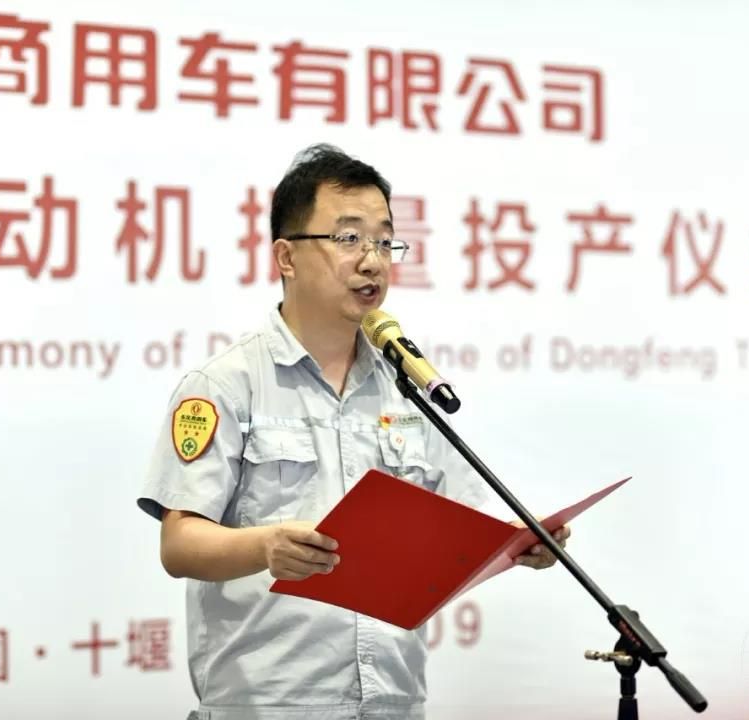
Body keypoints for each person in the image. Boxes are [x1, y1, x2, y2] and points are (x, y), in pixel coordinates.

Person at [137, 144, 569, 720]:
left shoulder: (406, 387)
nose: (372, 261)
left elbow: (455, 533)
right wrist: (266, 546)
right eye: (348, 238)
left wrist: (514, 542)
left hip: (393, 703)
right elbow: (179, 545)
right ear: (286, 257)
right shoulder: (225, 384)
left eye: (385, 241)